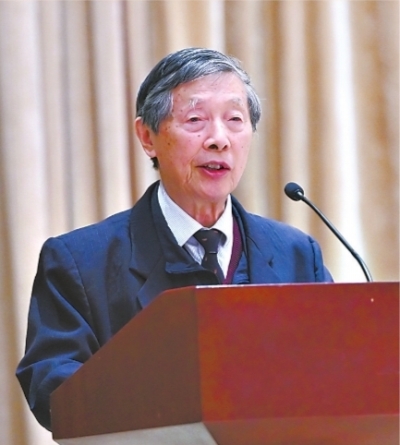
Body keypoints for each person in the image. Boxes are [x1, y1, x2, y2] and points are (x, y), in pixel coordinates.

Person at [16, 48, 332, 431]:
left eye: (235, 119)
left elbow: (337, 373)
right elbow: (54, 390)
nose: (219, 139)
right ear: (147, 137)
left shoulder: (297, 255)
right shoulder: (79, 263)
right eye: (195, 120)